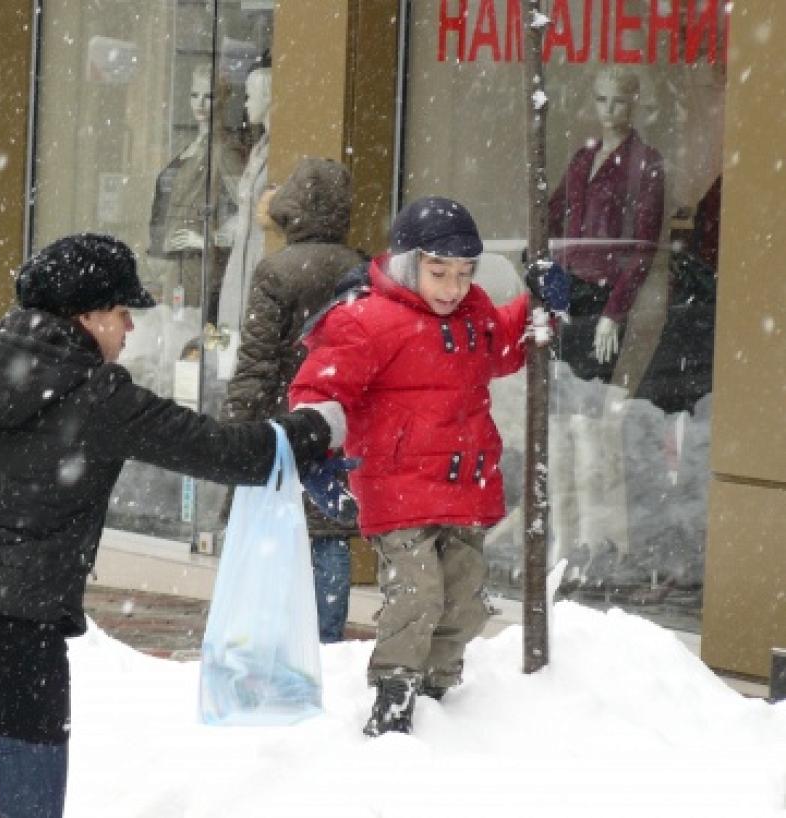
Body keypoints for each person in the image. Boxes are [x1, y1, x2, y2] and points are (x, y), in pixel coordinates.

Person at [0, 233, 342, 817]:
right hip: (21, 656)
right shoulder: (99, 396)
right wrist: (316, 427)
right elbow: (227, 452)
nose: (129, 328)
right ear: (86, 315)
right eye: (122, 311)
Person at [290, 197, 563, 737]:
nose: (453, 287)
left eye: (464, 273)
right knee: (417, 594)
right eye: (439, 272)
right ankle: (395, 693)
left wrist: (541, 306)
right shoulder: (366, 321)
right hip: (396, 488)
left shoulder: (474, 315)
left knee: (464, 601)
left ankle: (436, 693)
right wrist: (316, 455)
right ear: (406, 263)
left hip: (464, 486)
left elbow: (504, 346)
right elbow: (320, 388)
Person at [221, 156, 364, 642]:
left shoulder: (276, 272)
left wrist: (235, 429)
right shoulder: (362, 270)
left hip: (284, 418)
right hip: (340, 419)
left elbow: (257, 360)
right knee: (330, 530)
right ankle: (327, 637)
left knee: (276, 527)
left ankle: (275, 637)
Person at [548, 66, 665, 383]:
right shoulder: (583, 158)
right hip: (564, 287)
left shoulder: (645, 162)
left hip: (604, 291)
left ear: (633, 103)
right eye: (602, 99)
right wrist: (547, 273)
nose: (609, 109)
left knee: (590, 391)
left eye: (619, 101)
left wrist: (613, 312)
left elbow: (644, 248)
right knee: (558, 390)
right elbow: (552, 216)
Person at [147, 64, 242, 314]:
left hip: (198, 265)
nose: (200, 103)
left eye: (209, 96)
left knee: (187, 329)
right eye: (194, 95)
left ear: (223, 100)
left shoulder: (223, 149)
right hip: (175, 262)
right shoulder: (193, 145)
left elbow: (249, 208)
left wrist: (210, 239)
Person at [215, 62, 272, 378]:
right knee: (233, 343)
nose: (246, 105)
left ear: (269, 97)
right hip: (242, 256)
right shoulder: (259, 149)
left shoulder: (276, 152)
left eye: (250, 96)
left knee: (252, 339)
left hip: (259, 255)